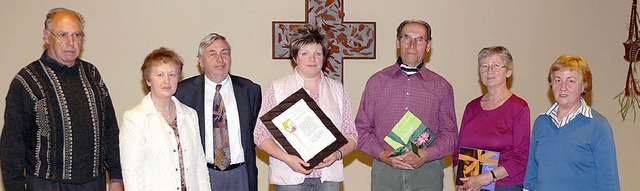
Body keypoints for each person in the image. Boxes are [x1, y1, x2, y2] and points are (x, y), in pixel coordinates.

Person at [0, 7, 123, 191]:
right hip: (47, 184)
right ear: (46, 36)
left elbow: (110, 128)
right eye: (62, 34)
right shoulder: (26, 81)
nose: (71, 42)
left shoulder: (92, 74)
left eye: (77, 35)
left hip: (94, 183)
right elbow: (12, 144)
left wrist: (116, 176)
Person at [355, 19, 458, 190]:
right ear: (398, 42)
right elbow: (361, 130)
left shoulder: (442, 86)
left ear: (428, 45)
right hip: (385, 171)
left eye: (419, 39)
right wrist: (383, 154)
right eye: (406, 38)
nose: (412, 44)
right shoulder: (376, 82)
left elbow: (451, 135)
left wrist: (425, 154)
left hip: (428, 171)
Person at [253, 25, 358, 190]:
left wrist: (337, 154)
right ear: (295, 57)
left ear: (324, 57)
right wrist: (288, 158)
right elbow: (260, 135)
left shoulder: (338, 89)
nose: (312, 59)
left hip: (328, 177)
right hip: (290, 177)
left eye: (318, 54)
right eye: (305, 53)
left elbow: (351, 135)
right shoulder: (278, 88)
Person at [175, 33, 262, 191]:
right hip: (203, 175)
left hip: (240, 175)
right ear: (201, 61)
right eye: (212, 54)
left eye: (224, 53)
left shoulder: (250, 90)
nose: (220, 59)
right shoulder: (183, 92)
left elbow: (258, 134)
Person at [523, 55, 620, 190]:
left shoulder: (598, 126)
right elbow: (531, 175)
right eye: (557, 80)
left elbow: (609, 182)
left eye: (571, 81)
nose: (563, 87)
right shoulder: (541, 122)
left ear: (584, 86)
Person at [119, 47, 211, 191]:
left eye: (172, 74)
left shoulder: (190, 115)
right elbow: (132, 175)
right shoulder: (134, 119)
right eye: (160, 75)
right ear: (148, 80)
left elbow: (199, 166)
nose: (167, 80)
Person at [452, 46, 530, 191]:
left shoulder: (519, 108)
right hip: (471, 186)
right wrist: (461, 182)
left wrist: (485, 178)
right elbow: (458, 152)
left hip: (505, 185)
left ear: (508, 72)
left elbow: (521, 158)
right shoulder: (471, 107)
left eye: (495, 66)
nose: (489, 71)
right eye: (484, 66)